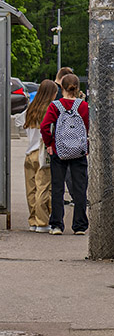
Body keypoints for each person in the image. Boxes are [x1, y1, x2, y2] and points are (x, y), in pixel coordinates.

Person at [39, 73, 90, 236]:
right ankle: (80, 225)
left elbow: (45, 126)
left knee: (58, 187)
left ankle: (57, 225)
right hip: (79, 152)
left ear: (62, 87)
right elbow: (86, 127)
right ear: (77, 88)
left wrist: (49, 144)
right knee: (80, 188)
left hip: (59, 151)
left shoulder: (55, 106)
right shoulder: (82, 106)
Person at [15, 79, 59, 232]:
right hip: (42, 154)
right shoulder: (50, 110)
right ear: (51, 94)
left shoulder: (31, 109)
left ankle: (33, 220)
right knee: (43, 188)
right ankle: (42, 222)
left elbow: (18, 123)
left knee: (31, 189)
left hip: (29, 153)